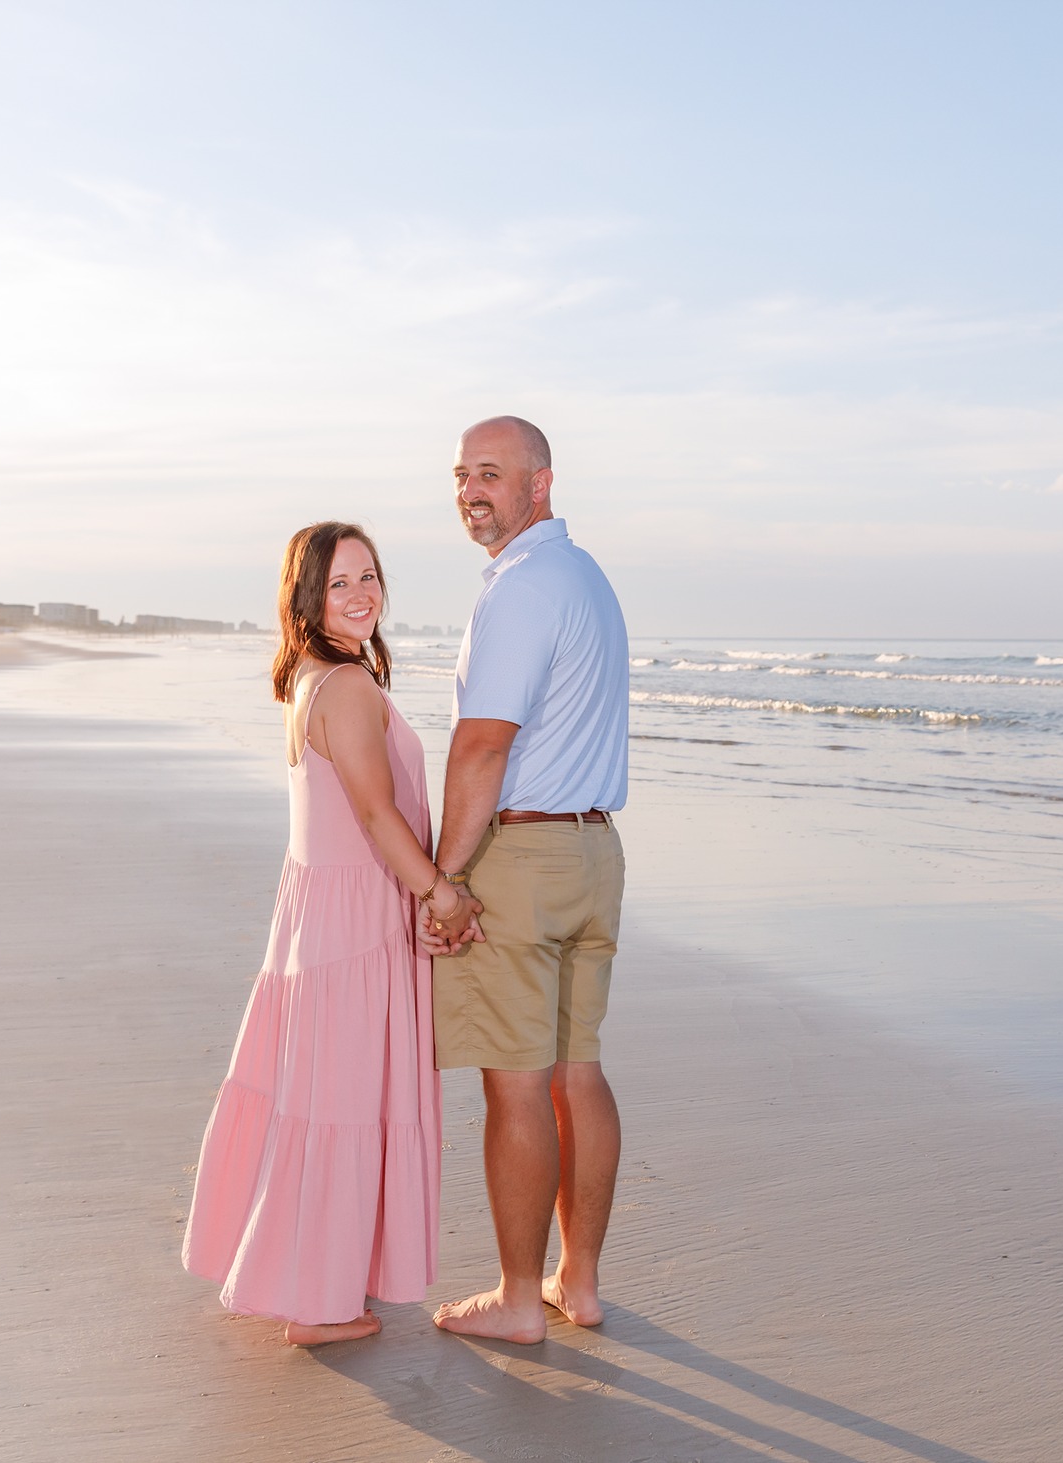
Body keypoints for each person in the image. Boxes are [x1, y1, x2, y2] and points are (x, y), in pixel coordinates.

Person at [182, 521, 464, 1346]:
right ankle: (317, 1298)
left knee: (316, 1097)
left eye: (370, 576)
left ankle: (308, 1278)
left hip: (323, 914)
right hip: (356, 921)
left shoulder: (311, 677)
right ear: (307, 596)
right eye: (340, 582)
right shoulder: (345, 687)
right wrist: (439, 892)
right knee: (339, 1103)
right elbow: (377, 814)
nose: (361, 594)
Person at [422, 416, 631, 1345]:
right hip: (595, 853)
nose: (473, 490)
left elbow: (482, 743)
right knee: (576, 1071)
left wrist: (445, 876)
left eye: (492, 475)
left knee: (516, 1085)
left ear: (539, 484)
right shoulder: (587, 579)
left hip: (526, 855)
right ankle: (575, 1282)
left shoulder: (521, 589)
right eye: (464, 474)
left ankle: (517, 1297)